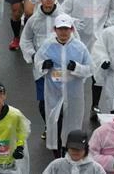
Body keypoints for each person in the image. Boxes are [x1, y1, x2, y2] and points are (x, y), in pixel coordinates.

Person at [34, 14, 93, 156]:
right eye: (60, 29)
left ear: (72, 29)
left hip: (73, 94)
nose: (63, 32)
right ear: (55, 29)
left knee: (72, 124)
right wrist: (44, 65)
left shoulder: (79, 47)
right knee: (55, 123)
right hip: (54, 93)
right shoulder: (47, 46)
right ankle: (56, 152)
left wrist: (77, 68)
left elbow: (90, 68)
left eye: (66, 29)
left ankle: (69, 151)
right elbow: (37, 63)